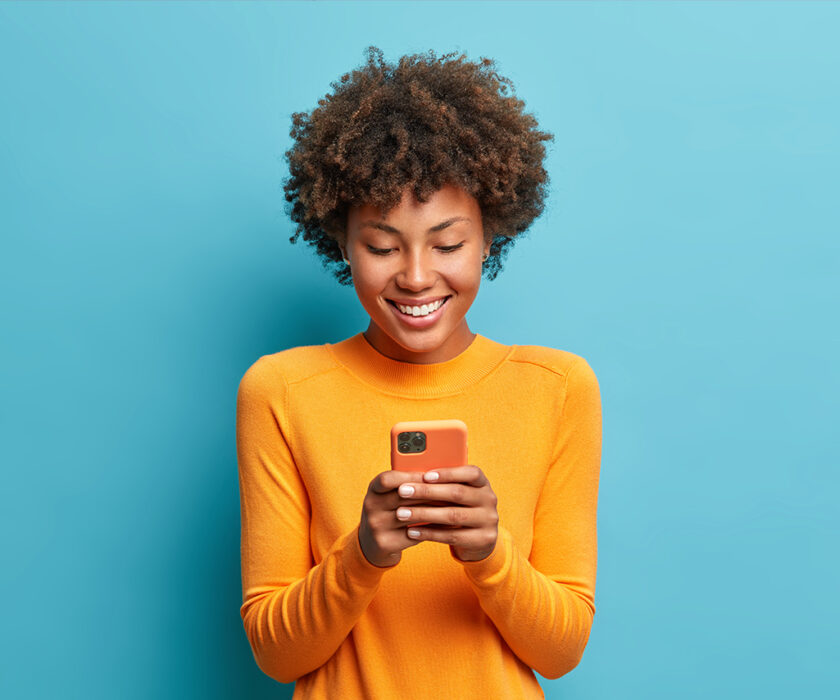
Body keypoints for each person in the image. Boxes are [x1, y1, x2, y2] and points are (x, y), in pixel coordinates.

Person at [236, 46, 602, 699]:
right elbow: (275, 653)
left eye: (448, 243)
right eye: (381, 245)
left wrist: (491, 553)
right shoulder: (280, 391)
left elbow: (562, 649)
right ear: (341, 242)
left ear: (491, 236)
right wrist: (363, 555)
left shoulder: (559, 388)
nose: (414, 275)